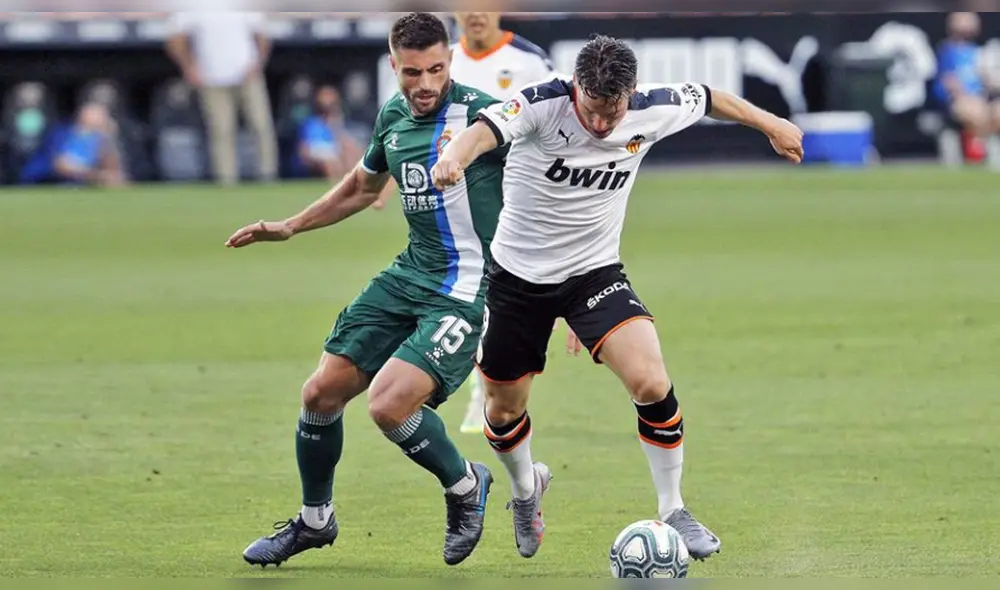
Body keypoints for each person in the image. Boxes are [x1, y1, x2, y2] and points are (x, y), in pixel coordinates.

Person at [431, 35, 803, 560]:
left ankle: (674, 508)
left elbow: (710, 97)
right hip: (517, 280)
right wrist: (453, 158)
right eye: (592, 110)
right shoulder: (541, 103)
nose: (603, 123)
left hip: (593, 273)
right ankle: (525, 491)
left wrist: (773, 124)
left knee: (651, 381)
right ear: (576, 87)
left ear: (631, 92)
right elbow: (483, 131)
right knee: (502, 409)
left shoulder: (651, 108)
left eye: (613, 111)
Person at [228, 12, 505, 568]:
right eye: (412, 72)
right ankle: (315, 520)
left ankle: (465, 485)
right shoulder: (394, 115)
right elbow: (362, 186)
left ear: (451, 59)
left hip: (467, 288)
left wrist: (564, 289)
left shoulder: (483, 118)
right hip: (410, 273)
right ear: (392, 65)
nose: (424, 84)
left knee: (388, 405)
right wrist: (291, 226)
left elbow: (549, 191)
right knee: (320, 394)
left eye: (435, 70)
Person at [448, 11, 565, 435]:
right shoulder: (443, 62)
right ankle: (477, 387)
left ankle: (489, 387)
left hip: (518, 195)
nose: (475, 12)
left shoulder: (530, 60)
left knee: (503, 288)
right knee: (470, 286)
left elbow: (560, 119)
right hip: (458, 196)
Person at [166, 11, 278, 185]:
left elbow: (262, 36)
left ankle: (267, 175)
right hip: (212, 78)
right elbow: (175, 39)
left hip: (247, 75)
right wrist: (189, 66)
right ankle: (226, 180)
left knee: (260, 125)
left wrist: (258, 64)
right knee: (221, 131)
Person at [933, 11, 1000, 162]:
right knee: (974, 111)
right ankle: (985, 148)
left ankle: (992, 146)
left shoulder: (980, 51)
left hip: (983, 98)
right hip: (957, 100)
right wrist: (963, 94)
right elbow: (947, 80)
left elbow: (987, 79)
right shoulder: (946, 50)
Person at [297, 85, 364, 182]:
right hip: (316, 149)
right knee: (333, 163)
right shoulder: (310, 122)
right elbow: (304, 147)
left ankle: (356, 183)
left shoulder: (335, 120)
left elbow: (341, 138)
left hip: (332, 148)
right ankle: (337, 187)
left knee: (351, 152)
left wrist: (334, 124)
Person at [52, 102, 127, 187]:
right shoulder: (69, 135)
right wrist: (96, 175)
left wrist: (108, 140)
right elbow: (62, 166)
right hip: (69, 186)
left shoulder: (102, 139)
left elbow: (115, 172)